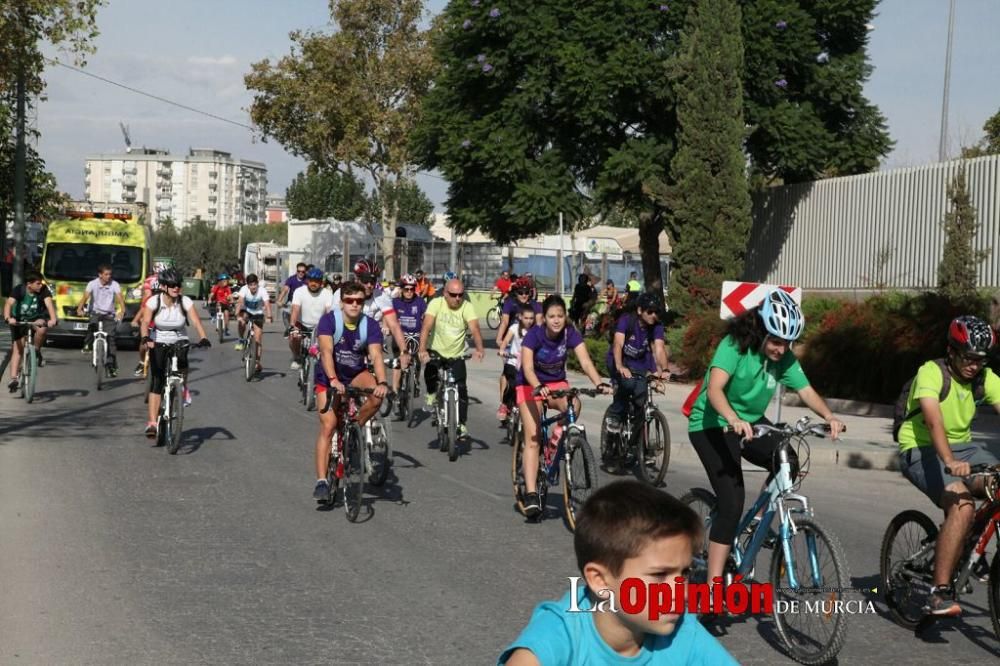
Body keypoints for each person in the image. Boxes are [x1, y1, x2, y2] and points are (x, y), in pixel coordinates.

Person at [687, 289, 844, 595]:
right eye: (775, 340)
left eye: (787, 343)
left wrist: (829, 415)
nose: (780, 348)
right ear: (760, 330)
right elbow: (715, 390)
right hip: (712, 422)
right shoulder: (734, 345)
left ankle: (757, 522)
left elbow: (806, 390)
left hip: (749, 423)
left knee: (788, 460)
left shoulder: (782, 357)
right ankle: (714, 587)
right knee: (732, 503)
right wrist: (733, 419)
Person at [499, 480, 736, 666]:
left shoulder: (682, 630)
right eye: (659, 575)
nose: (680, 592)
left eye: (684, 573)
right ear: (600, 580)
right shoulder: (561, 634)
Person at [897, 315, 1000, 616]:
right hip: (921, 447)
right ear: (951, 351)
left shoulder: (984, 378)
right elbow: (933, 420)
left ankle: (967, 545)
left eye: (980, 359)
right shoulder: (932, 372)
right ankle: (938, 592)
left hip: (965, 449)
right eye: (967, 357)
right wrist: (949, 461)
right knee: (962, 504)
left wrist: (958, 458)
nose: (973, 365)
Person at [517, 295, 611, 517]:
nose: (556, 320)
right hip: (530, 385)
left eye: (560, 316)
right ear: (544, 318)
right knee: (533, 435)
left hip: (557, 383)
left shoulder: (570, 334)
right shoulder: (534, 336)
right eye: (552, 316)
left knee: (574, 405)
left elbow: (586, 362)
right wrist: (538, 386)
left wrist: (598, 383)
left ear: (565, 316)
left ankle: (553, 445)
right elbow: (528, 368)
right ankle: (531, 493)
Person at [311, 281, 388, 502]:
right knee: (329, 425)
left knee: (376, 395)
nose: (355, 305)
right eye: (350, 301)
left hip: (355, 372)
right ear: (342, 302)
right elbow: (326, 351)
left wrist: (382, 382)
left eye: (359, 301)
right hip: (329, 376)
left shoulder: (370, 325)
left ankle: (355, 425)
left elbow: (375, 356)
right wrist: (333, 380)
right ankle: (322, 481)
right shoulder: (329, 321)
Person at [139, 268, 211, 437]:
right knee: (157, 380)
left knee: (183, 364)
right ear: (163, 286)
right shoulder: (153, 302)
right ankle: (152, 423)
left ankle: (182, 387)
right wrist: (145, 338)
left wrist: (203, 337)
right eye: (172, 285)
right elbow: (145, 322)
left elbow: (195, 321)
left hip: (179, 339)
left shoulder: (184, 301)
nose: (176, 288)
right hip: (158, 340)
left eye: (178, 285)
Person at [417, 277, 485, 440]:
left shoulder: (467, 307)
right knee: (430, 371)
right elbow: (426, 327)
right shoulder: (436, 303)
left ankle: (461, 424)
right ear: (445, 293)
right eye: (453, 295)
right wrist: (422, 349)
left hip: (456, 354)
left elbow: (474, 328)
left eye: (460, 295)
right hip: (437, 351)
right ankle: (432, 394)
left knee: (461, 389)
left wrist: (479, 349)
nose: (457, 298)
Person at [604, 293, 670, 433]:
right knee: (627, 384)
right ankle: (614, 416)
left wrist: (665, 369)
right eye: (650, 311)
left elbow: (659, 349)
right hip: (618, 359)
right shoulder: (627, 321)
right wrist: (620, 366)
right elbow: (618, 344)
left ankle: (636, 434)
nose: (653, 315)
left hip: (638, 363)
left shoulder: (656, 326)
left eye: (656, 312)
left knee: (641, 394)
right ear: (640, 310)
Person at [333, 259, 411, 373]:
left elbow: (394, 325)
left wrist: (404, 351)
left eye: (373, 280)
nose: (370, 285)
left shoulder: (381, 297)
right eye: (365, 280)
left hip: (370, 342)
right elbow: (333, 323)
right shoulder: (341, 293)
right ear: (357, 279)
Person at [3, 271, 57, 391]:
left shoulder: (43, 291)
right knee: (18, 349)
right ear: (29, 284)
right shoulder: (19, 290)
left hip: (36, 318)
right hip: (18, 320)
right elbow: (8, 304)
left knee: (42, 329)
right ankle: (14, 379)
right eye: (38, 283)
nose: (41, 285)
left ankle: (36, 351)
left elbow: (49, 305)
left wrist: (53, 319)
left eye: (41, 283)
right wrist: (8, 318)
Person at [76, 263, 127, 376]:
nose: (109, 276)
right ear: (100, 275)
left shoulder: (114, 284)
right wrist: (79, 309)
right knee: (92, 326)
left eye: (110, 274)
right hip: (95, 312)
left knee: (111, 340)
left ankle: (111, 366)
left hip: (109, 314)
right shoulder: (92, 284)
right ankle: (87, 345)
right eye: (106, 274)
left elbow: (120, 298)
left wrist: (122, 311)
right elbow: (85, 297)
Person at [496, 302, 536, 422]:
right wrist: (502, 350)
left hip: (527, 364)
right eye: (526, 318)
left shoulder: (535, 331)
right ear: (520, 317)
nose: (529, 321)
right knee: (512, 384)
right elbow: (506, 340)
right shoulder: (514, 328)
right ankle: (504, 404)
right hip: (513, 361)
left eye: (531, 318)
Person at [289, 268, 335, 370]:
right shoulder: (299, 291)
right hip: (302, 324)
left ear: (321, 282)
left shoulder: (327, 293)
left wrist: (331, 327)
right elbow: (295, 310)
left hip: (319, 326)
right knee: (294, 336)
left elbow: (329, 312)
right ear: (307, 281)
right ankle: (297, 357)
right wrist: (292, 326)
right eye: (311, 280)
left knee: (327, 344)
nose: (313, 283)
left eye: (317, 281)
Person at [390, 273, 426, 394]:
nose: (409, 292)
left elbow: (426, 317)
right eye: (406, 289)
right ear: (401, 289)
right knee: (398, 362)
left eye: (412, 289)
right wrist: (386, 327)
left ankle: (416, 379)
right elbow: (388, 318)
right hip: (401, 336)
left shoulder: (420, 302)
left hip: (416, 335)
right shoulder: (395, 302)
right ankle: (395, 390)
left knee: (418, 358)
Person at [234, 274, 273, 372]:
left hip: (258, 313)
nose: (253, 287)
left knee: (258, 339)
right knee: (242, 321)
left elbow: (267, 304)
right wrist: (237, 315)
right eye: (251, 285)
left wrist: (269, 316)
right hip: (247, 311)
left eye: (255, 284)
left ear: (257, 284)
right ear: (248, 285)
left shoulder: (262, 291)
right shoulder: (244, 289)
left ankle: (257, 362)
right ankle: (241, 339)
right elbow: (240, 302)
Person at [131, 271, 160, 376]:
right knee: (143, 345)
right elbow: (142, 310)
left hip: (162, 327)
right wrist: (135, 320)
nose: (157, 294)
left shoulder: (168, 300)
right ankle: (142, 362)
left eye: (160, 292)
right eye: (155, 291)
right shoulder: (149, 300)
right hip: (150, 324)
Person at [277, 263, 309, 328]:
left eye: (303, 272)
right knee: (285, 312)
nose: (300, 273)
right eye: (298, 271)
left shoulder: (308, 280)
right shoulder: (291, 279)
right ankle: (289, 329)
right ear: (296, 271)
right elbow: (285, 290)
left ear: (305, 272)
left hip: (304, 303)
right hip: (292, 302)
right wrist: (279, 300)